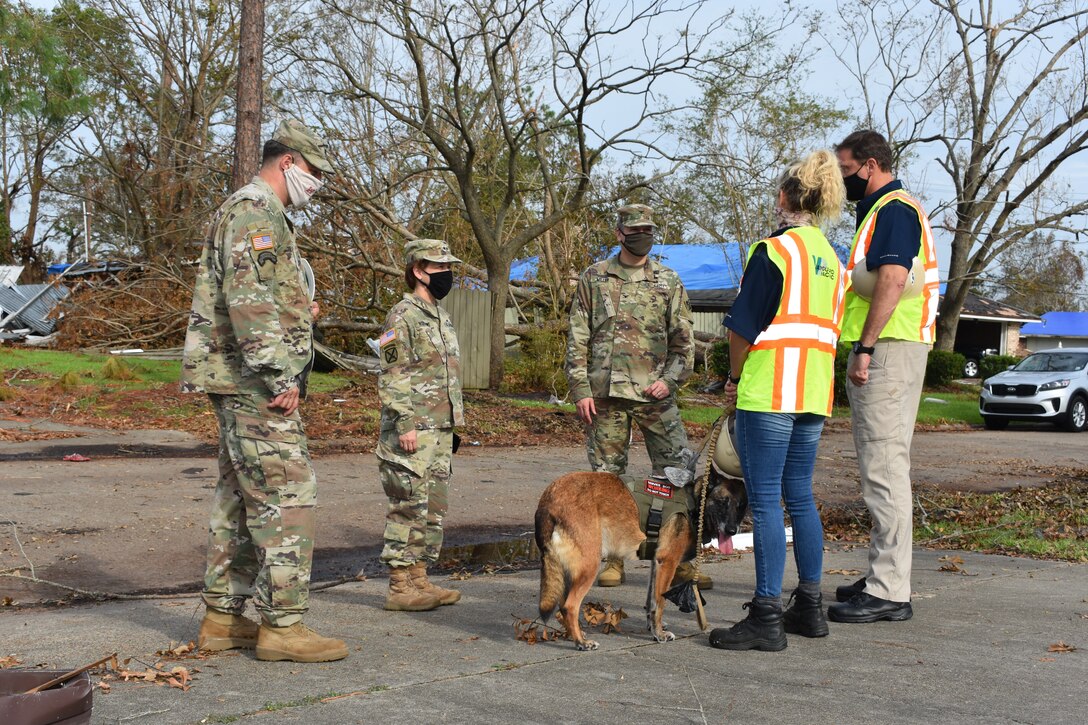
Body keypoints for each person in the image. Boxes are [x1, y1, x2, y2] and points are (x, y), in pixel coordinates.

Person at [182, 119, 348, 662]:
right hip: (256, 383)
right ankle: (283, 625)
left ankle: (224, 620)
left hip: (238, 378)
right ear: (288, 163)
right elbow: (248, 302)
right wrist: (280, 375)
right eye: (314, 172)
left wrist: (301, 310)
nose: (316, 183)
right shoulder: (255, 211)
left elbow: (265, 295)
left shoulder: (254, 211)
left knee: (239, 497)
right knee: (286, 495)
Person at [708, 151, 847, 652]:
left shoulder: (775, 251)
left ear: (787, 198)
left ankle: (766, 615)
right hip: (813, 394)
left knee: (766, 502)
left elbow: (741, 329)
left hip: (769, 393)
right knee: (800, 497)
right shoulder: (833, 260)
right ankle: (808, 607)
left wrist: (734, 377)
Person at [826, 129, 939, 624]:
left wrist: (865, 348)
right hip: (896, 348)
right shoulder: (885, 210)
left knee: (885, 469)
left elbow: (892, 278)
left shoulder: (893, 209)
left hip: (889, 350)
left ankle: (890, 588)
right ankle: (883, 574)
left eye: (847, 171)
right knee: (884, 465)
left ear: (870, 165)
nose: (843, 180)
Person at [565, 203, 696, 588]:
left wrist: (669, 381)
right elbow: (578, 336)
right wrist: (580, 389)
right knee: (607, 481)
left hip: (655, 396)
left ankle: (680, 559)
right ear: (620, 233)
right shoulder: (595, 277)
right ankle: (613, 559)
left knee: (676, 475)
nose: (644, 237)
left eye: (649, 230)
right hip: (605, 396)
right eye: (636, 230)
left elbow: (683, 344)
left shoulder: (667, 280)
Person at [376, 239, 464, 612]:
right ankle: (399, 586)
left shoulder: (439, 315)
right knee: (408, 505)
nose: (447, 274)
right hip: (413, 428)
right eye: (439, 267)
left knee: (433, 508)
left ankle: (420, 579)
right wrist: (405, 423)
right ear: (418, 270)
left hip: (441, 428)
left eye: (448, 267)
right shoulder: (401, 316)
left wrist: (454, 424)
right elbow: (392, 373)